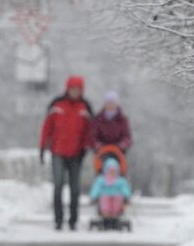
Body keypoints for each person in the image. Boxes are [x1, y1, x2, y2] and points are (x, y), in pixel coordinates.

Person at [39, 75, 92, 231]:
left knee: (75, 189)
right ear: (67, 89)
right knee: (58, 186)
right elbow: (47, 129)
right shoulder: (57, 105)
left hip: (76, 154)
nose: (75, 92)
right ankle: (58, 219)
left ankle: (73, 220)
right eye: (73, 89)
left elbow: (89, 132)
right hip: (58, 152)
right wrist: (42, 147)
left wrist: (85, 148)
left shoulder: (85, 108)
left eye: (78, 89)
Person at [89, 156, 132, 222]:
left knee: (118, 199)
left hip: (117, 196)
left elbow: (125, 189)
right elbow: (96, 188)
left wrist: (127, 196)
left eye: (113, 171)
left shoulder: (120, 181)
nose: (111, 172)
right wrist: (93, 196)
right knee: (104, 200)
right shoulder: (101, 180)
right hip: (104, 196)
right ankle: (106, 214)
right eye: (110, 170)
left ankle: (115, 214)